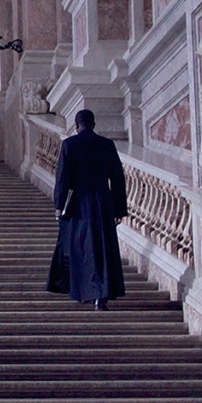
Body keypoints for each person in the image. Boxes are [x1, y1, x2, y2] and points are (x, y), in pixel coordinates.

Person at [46, 109, 128, 311]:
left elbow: (63, 179)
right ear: (93, 124)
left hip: (78, 203)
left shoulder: (70, 144)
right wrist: (119, 208)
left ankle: (86, 292)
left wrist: (59, 206)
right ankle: (102, 296)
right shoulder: (107, 145)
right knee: (103, 248)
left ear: (76, 125)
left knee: (81, 249)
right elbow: (117, 178)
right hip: (103, 201)